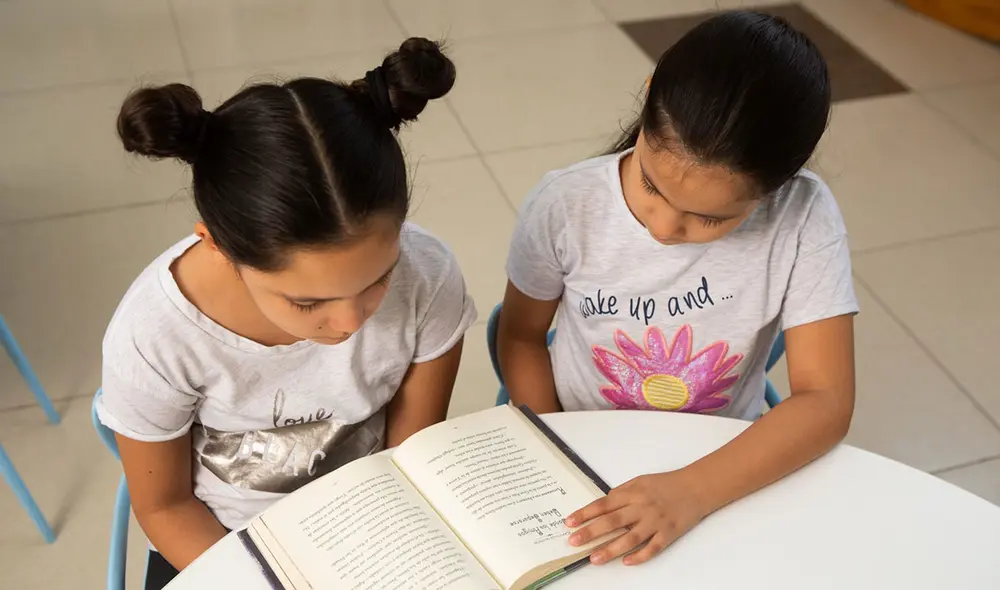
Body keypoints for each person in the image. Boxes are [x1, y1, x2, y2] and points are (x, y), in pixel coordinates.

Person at [96, 38, 476, 589]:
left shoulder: (428, 276)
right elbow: (166, 508)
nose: (351, 323)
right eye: (307, 302)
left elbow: (408, 461)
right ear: (218, 246)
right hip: (221, 545)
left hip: (373, 529)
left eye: (379, 278)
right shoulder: (155, 336)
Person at [498, 11, 857, 567]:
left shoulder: (803, 217)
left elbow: (826, 401)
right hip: (583, 440)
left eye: (709, 219)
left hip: (720, 461)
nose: (664, 229)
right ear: (647, 98)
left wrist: (691, 490)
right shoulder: (567, 205)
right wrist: (558, 461)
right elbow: (521, 337)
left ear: (780, 185)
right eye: (650, 185)